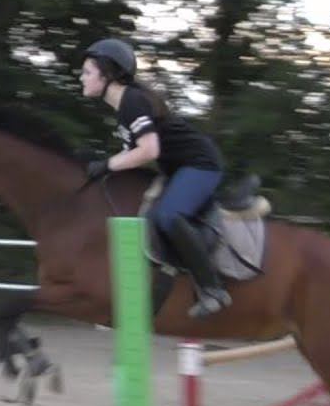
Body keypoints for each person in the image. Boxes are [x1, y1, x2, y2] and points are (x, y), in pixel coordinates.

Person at [78, 37, 231, 318]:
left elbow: (149, 151)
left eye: (87, 72)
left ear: (107, 75)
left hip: (201, 165)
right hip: (179, 169)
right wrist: (98, 163)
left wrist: (107, 164)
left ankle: (212, 289)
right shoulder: (125, 107)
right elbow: (133, 153)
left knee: (168, 216)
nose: (82, 78)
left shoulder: (132, 102)